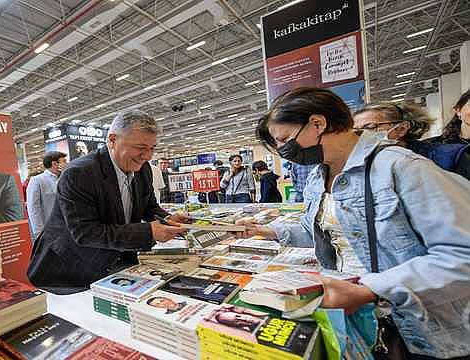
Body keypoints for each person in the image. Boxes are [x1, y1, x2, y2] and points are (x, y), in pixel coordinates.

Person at [235, 87, 470, 358]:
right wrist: (269, 231)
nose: (284, 151)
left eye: (286, 139)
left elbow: (461, 253)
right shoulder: (317, 175)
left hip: (416, 325)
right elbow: (323, 230)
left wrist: (370, 289)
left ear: (317, 123)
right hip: (357, 318)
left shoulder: (402, 167)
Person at [27, 111, 190, 293]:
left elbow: (148, 206)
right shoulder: (79, 173)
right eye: (140, 147)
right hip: (71, 270)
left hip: (117, 263)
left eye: (152, 148)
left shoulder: (143, 170)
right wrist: (149, 231)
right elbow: (86, 233)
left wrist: (167, 219)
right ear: (112, 140)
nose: (147, 156)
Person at [354, 102, 470, 180]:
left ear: (402, 129)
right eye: (356, 131)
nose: (361, 135)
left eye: (369, 127)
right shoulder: (363, 166)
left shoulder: (449, 156)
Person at [26, 151, 67, 239]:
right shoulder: (37, 180)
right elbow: (33, 208)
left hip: (66, 228)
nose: (66, 163)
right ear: (54, 164)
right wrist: (39, 233)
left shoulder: (64, 178)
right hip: (49, 230)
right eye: (64, 161)